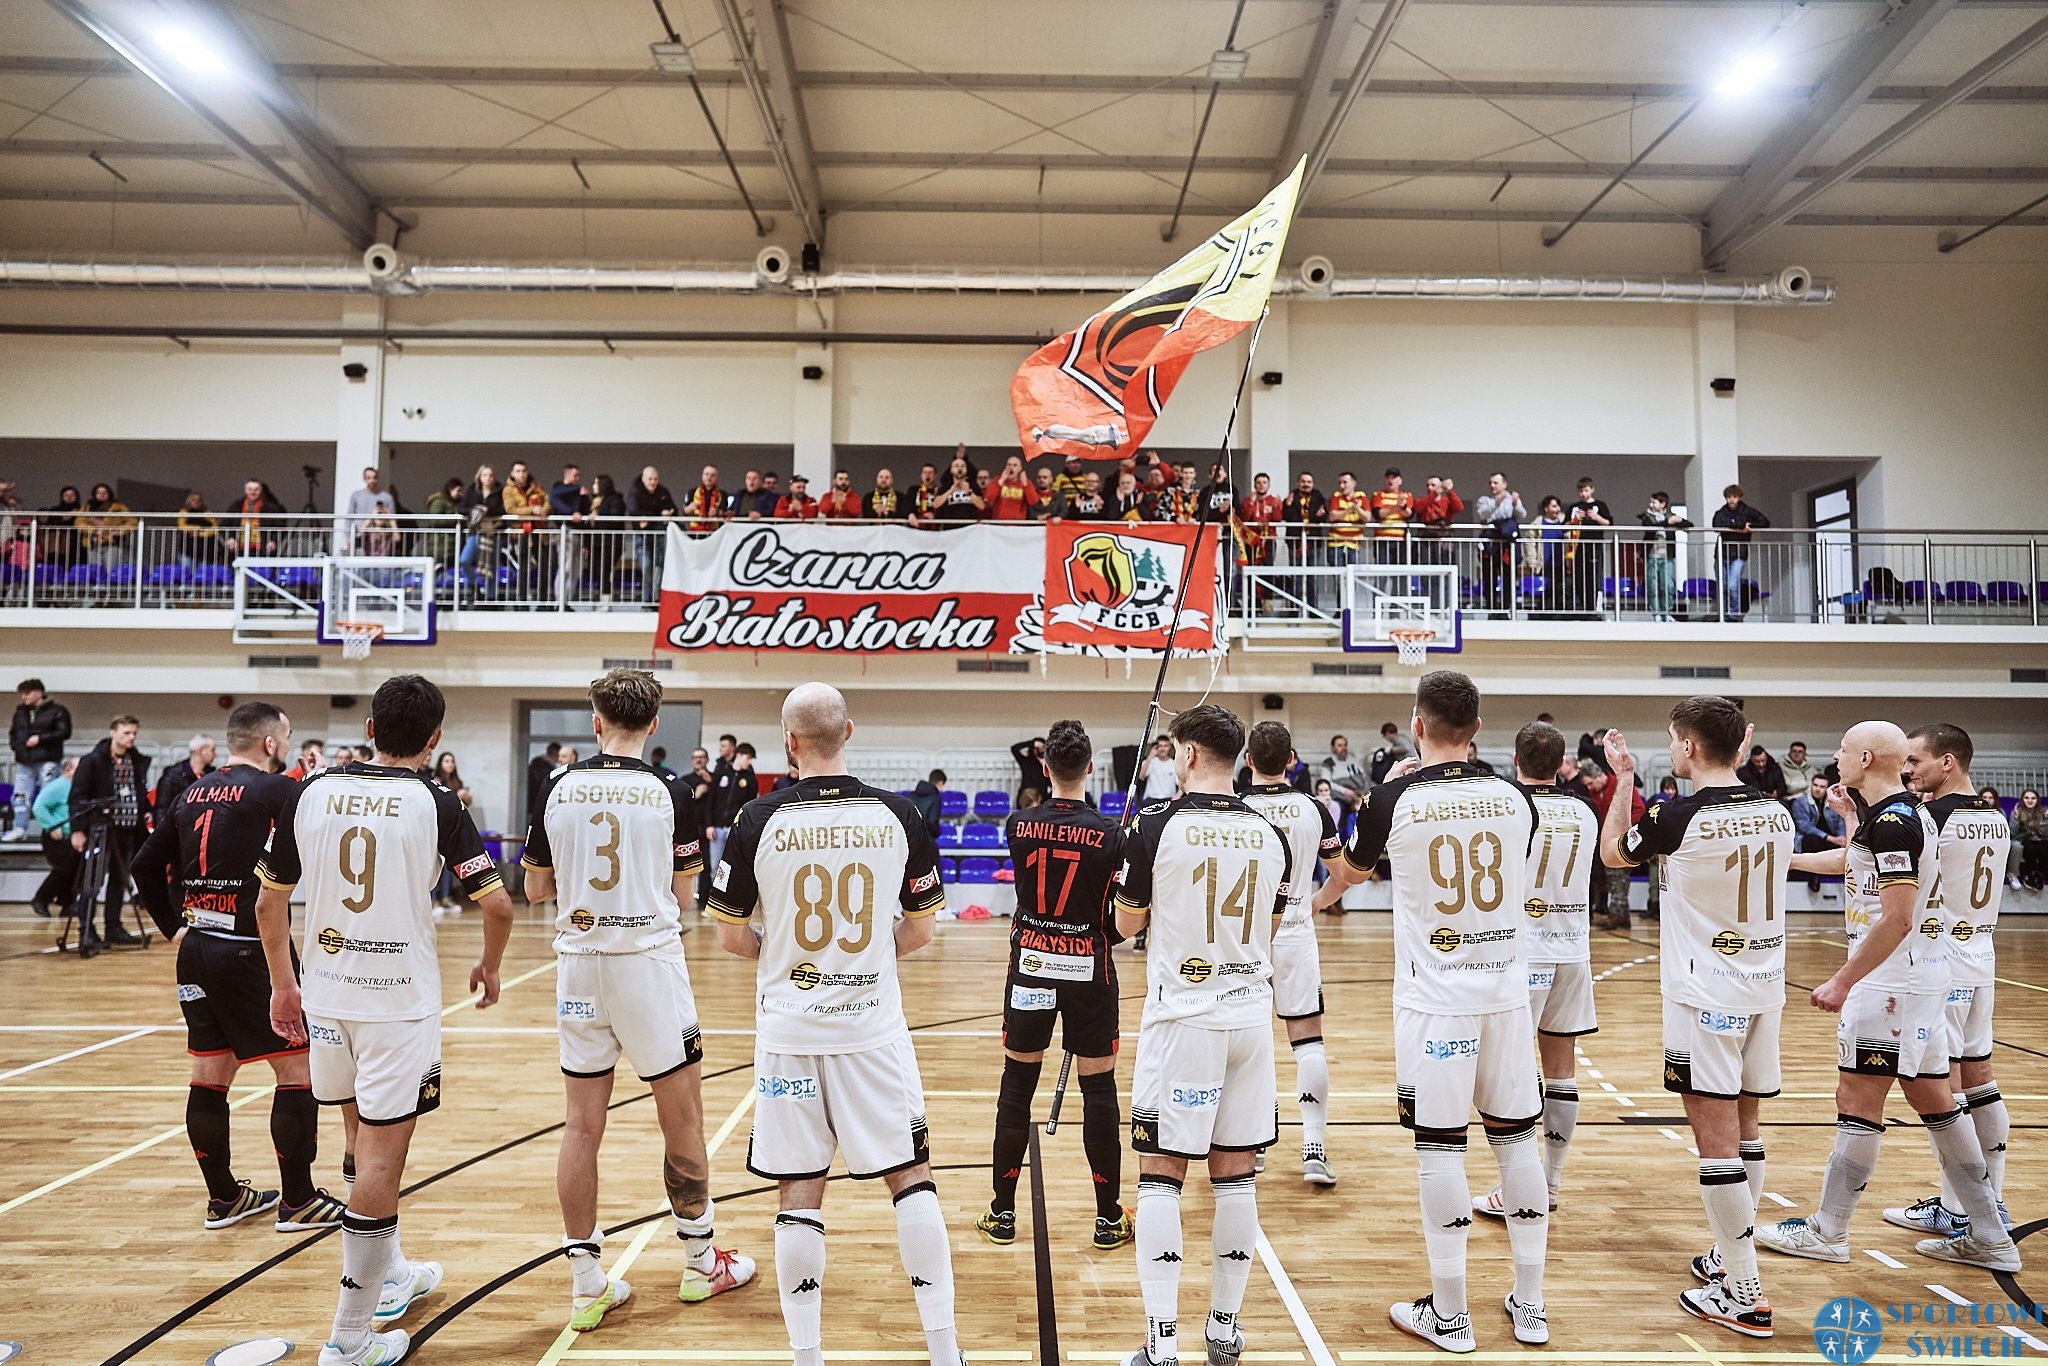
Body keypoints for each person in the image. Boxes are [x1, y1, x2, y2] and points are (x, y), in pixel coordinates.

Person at [255, 674, 516, 1366]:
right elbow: (497, 905)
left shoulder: (309, 790)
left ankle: (391, 1272)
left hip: (326, 995)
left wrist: (284, 986)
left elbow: (268, 903)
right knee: (382, 1158)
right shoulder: (438, 801)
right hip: (397, 1004)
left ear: (369, 730)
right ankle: (349, 1337)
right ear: (435, 740)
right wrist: (490, 966)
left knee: (356, 1136)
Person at [709, 684, 961, 1366]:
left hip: (789, 1037)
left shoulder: (756, 818)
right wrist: (868, 958)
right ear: (848, 731)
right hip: (872, 1033)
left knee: (798, 1193)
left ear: (789, 741)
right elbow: (922, 930)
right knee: (911, 1179)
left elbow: (730, 936)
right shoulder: (899, 815)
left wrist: (784, 960)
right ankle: (945, 1352)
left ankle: (807, 1357)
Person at [1312, 671, 1549, 1351]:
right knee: (1516, 1143)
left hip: (1435, 1003)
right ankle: (1531, 1305)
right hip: (1505, 998)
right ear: (1477, 729)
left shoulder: (1391, 799)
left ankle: (1450, 1314)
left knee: (1441, 1149)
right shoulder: (1515, 798)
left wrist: (1312, 903)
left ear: (1417, 726)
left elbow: (1349, 874)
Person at [522, 670, 754, 1331]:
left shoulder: (556, 785)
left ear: (596, 722)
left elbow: (535, 889)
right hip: (648, 966)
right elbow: (684, 896)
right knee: (682, 1120)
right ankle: (700, 1263)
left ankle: (586, 1284)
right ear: (653, 724)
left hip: (579, 969)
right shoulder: (671, 790)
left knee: (580, 1127)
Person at [1758, 721, 2019, 1275]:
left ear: (1867, 758)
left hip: (1892, 984)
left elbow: (1898, 917)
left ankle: (1828, 1231)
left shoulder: (1896, 822)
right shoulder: (1899, 815)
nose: (1836, 756)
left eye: (1844, 749)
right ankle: (1990, 1234)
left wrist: (1843, 981)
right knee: (1937, 1102)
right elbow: (1856, 866)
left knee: (1857, 1099)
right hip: (1922, 979)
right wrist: (1787, 857)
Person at [1596, 698, 1791, 1337]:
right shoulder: (1777, 811)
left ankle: (1745, 1292)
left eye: (1673, 740)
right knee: (1746, 1129)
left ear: (1688, 747)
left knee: (1716, 1142)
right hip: (1763, 991)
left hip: (1706, 995)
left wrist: (1624, 778)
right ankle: (1730, 1257)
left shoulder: (1676, 816)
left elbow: (1613, 855)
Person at [1114, 704, 1290, 1366]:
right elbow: (1269, 927)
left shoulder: (1155, 825)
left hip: (1184, 1022)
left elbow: (1126, 926)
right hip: (1250, 1019)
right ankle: (1223, 1331)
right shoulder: (1270, 833)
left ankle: (1162, 1344)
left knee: (1162, 1175)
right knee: (1236, 1177)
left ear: (1187, 755)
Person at [130, 701, 347, 1233]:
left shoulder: (189, 792)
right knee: (297, 1069)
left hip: (198, 948)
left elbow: (143, 864)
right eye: (287, 737)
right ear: (270, 743)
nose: (288, 745)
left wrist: (173, 927)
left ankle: (224, 1198)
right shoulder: (276, 790)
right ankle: (298, 1200)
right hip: (252, 948)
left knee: (210, 1072)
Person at [977, 720, 1132, 1249]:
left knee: (1017, 1087)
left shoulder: (1019, 824)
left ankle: (1002, 1213)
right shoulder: (1111, 834)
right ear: (1090, 767)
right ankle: (1108, 1218)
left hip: (1032, 967)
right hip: (1089, 969)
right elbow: (1120, 912)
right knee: (1099, 1092)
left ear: (1044, 769)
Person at [1883, 724, 2016, 1239]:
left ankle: (1958, 1209)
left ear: (1948, 762)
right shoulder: (1995, 818)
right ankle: (1990, 1201)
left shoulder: (1930, 817)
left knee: (1946, 1087)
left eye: (1915, 761)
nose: (1907, 771)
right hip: (1980, 958)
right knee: (1980, 1076)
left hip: (1945, 964)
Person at [1474, 722, 1599, 1223]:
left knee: (1513, 1069)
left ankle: (1518, 1186)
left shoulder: (1508, 808)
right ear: (1562, 764)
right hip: (1574, 950)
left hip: (1525, 950)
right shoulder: (1584, 811)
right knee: (1561, 1068)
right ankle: (1549, 1181)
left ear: (1515, 759)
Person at [1242, 722, 1345, 1185]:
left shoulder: (1235, 807)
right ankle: (1313, 1149)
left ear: (1248, 761)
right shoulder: (1313, 808)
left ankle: (1254, 1145)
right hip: (1296, 932)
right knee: (1308, 1043)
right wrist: (1317, 902)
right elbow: (1343, 874)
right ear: (1291, 760)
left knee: (1250, 1046)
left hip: (1245, 938)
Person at [68, 713, 152, 948]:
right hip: (101, 829)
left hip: (128, 830)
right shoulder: (93, 761)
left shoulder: (136, 761)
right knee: (92, 882)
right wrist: (78, 830)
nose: (131, 737)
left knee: (120, 880)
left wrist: (145, 810)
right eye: (126, 733)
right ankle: (86, 929)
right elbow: (77, 798)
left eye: (134, 733)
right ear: (113, 732)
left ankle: (113, 927)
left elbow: (138, 792)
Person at [1583, 762, 1644, 931]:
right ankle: (1622, 917)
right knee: (1613, 880)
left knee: (1618, 879)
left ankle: (1616, 915)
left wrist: (1623, 828)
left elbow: (1639, 809)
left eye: (1590, 783)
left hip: (1623, 840)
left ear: (1599, 776)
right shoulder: (1596, 792)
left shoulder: (1621, 784)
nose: (1589, 788)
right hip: (1606, 842)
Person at [8, 677, 71, 840]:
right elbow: (14, 732)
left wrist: (40, 739)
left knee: (49, 795)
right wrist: (16, 746)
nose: (24, 697)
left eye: (27, 693)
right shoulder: (20, 712)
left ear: (39, 692)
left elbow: (64, 732)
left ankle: (52, 828)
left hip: (48, 759)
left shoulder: (57, 711)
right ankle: (19, 828)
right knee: (20, 795)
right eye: (22, 693)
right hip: (24, 760)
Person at [1710, 485, 1769, 622]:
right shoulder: (1721, 512)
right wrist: (1739, 525)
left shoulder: (1747, 511)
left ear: (1739, 497)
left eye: (1734, 497)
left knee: (1732, 585)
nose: (1732, 500)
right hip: (1722, 553)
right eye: (1729, 497)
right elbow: (1716, 525)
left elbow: (1765, 522)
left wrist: (1749, 526)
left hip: (1739, 553)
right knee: (1723, 586)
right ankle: (1723, 614)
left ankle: (1733, 614)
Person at [30, 756, 79, 918]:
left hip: (73, 835)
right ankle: (41, 899)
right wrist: (52, 825)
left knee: (75, 869)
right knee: (63, 869)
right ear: (68, 770)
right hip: (57, 835)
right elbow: (39, 806)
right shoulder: (58, 786)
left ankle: (67, 903)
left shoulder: (78, 787)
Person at [1472, 473, 1526, 613]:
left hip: (1507, 544)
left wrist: (1515, 504)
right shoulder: (1484, 500)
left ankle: (1506, 609)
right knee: (1489, 577)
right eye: (1490, 483)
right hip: (1491, 543)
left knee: (1508, 576)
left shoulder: (1512, 499)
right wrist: (1495, 504)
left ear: (1504, 484)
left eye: (1495, 483)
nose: (1492, 486)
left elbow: (1522, 515)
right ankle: (1491, 610)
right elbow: (1482, 515)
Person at [1638, 492, 1690, 622]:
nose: (1651, 505)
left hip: (1667, 556)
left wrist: (1679, 521)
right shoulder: (1647, 517)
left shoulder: (1671, 516)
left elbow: (1690, 525)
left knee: (1668, 585)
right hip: (1652, 556)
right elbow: (1649, 528)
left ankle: (1666, 612)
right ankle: (1656, 613)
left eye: (1654, 502)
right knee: (1653, 586)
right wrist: (1667, 522)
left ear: (1663, 504)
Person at [1564, 477, 1612, 616]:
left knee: (1594, 577)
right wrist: (1574, 520)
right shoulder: (1574, 507)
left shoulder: (1600, 505)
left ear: (1592, 490)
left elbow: (1609, 523)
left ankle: (1594, 608)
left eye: (1586, 490)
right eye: (1581, 491)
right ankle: (1582, 608)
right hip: (1577, 547)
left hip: (1594, 546)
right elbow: (1564, 526)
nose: (1583, 494)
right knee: (1579, 578)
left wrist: (1597, 518)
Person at [1791, 773, 1847, 891]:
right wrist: (1831, 838)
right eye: (1815, 785)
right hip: (1809, 840)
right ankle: (1814, 876)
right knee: (1813, 841)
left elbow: (1841, 822)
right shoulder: (1800, 802)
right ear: (1811, 785)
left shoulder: (1833, 802)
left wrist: (1842, 838)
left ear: (1826, 789)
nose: (1817, 789)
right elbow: (1804, 827)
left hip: (1830, 840)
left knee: (1845, 847)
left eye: (1822, 787)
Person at [154, 734, 216, 813]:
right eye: (212, 750)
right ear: (200, 751)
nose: (215, 754)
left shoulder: (211, 774)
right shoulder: (173, 775)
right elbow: (162, 807)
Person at [1412, 475, 1464, 565]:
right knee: (1425, 568)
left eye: (1433, 485)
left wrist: (1450, 491)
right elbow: (1418, 508)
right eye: (1428, 485)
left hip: (1444, 543)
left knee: (1445, 567)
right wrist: (1434, 494)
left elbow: (1459, 508)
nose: (1429, 488)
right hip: (1425, 543)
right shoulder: (1421, 501)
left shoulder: (1446, 501)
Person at [1326, 472, 1369, 578]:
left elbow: (1367, 517)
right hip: (1336, 543)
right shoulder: (1336, 496)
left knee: (1352, 577)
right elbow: (1332, 516)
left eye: (1345, 482)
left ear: (1353, 483)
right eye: (1340, 483)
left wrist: (1357, 508)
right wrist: (1350, 509)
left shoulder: (1361, 496)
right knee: (1338, 578)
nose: (1342, 486)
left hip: (1354, 543)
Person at [1368, 466, 1413, 564]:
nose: (1390, 480)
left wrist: (1403, 506)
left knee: (1399, 570)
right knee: (1382, 570)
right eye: (1388, 477)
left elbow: (1409, 514)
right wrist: (1395, 507)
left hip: (1400, 540)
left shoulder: (1407, 495)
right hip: (1382, 539)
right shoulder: (1378, 495)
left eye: (1393, 478)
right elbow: (1378, 514)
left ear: (1400, 481)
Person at [346, 468, 397, 554]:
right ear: (364, 479)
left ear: (378, 478)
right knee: (359, 558)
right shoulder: (356, 495)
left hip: (378, 537)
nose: (372, 481)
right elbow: (349, 517)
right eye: (368, 478)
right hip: (359, 534)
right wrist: (348, 537)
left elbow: (392, 518)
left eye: (374, 477)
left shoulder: (387, 497)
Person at [1315, 734, 1367, 810]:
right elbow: (1326, 783)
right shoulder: (1328, 763)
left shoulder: (1354, 760)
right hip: (1340, 796)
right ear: (1333, 748)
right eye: (1340, 745)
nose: (1343, 748)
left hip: (1358, 794)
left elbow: (1364, 778)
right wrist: (1344, 791)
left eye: (1345, 745)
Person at [2017, 789, 2047, 889]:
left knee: (2043, 846)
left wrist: (2045, 819)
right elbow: (2014, 832)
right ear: (2022, 799)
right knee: (2030, 846)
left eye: (2033, 798)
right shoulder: (2017, 811)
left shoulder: (2043, 811)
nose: (2030, 801)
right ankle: (2031, 874)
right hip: (2025, 840)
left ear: (2037, 800)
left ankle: (2040, 874)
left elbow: (2043, 833)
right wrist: (2016, 818)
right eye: (2027, 798)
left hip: (2041, 840)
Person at [1009, 736, 1052, 806]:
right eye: (1037, 748)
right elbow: (1014, 749)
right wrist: (1031, 743)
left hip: (1042, 797)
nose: (1040, 750)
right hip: (1027, 794)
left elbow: (1051, 782)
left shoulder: (1049, 764)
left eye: (1042, 747)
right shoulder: (1026, 762)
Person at [1138, 736, 1178, 803]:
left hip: (1169, 798)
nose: (1163, 749)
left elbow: (1182, 783)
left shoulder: (1174, 763)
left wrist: (1178, 796)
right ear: (1155, 747)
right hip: (1151, 798)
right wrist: (1150, 756)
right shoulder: (1148, 762)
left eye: (1165, 746)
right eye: (1160, 746)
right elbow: (1141, 777)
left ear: (1170, 747)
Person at [1368, 721, 1410, 785]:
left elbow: (1406, 748)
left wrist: (1391, 749)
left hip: (1411, 765)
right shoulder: (1401, 738)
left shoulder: (1398, 739)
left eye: (1385, 736)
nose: (1386, 738)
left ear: (1387, 733)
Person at [910, 768, 947, 840]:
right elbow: (932, 821)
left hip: (911, 838)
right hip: (926, 839)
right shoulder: (936, 798)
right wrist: (936, 833)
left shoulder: (911, 796)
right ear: (940, 783)